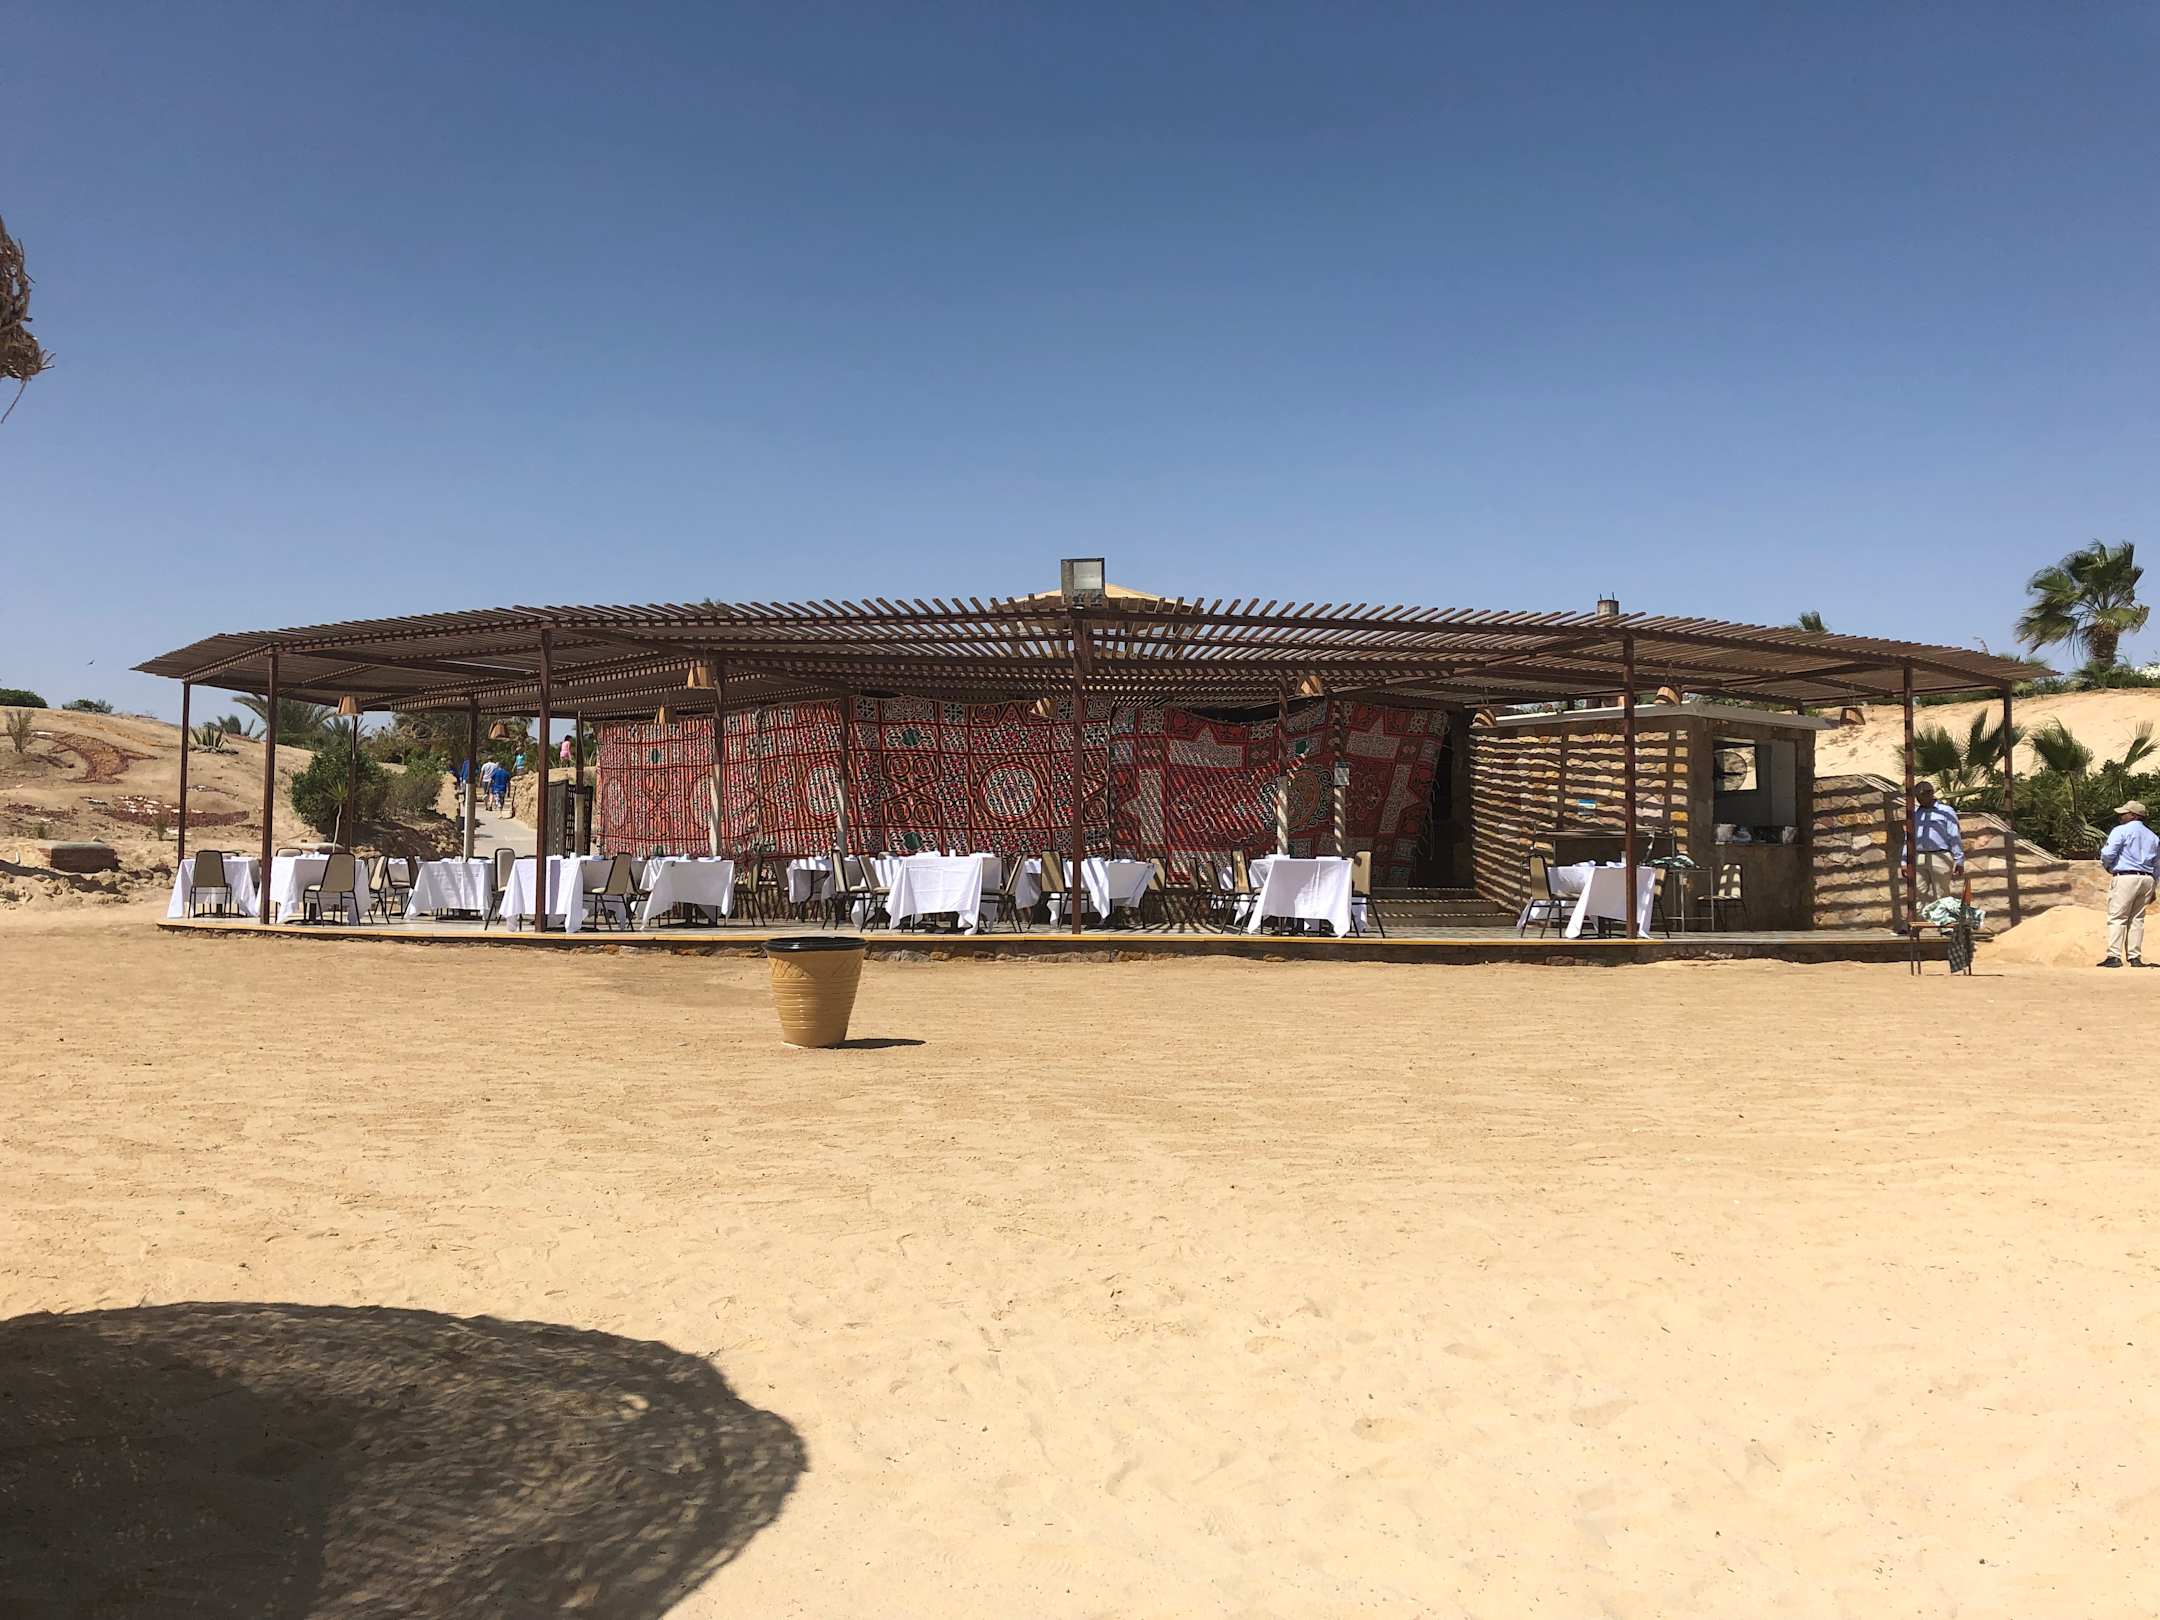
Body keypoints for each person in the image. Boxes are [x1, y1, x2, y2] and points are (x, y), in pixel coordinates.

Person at [2096, 798, 2158, 969]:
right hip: (2147, 878)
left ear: (2133, 815)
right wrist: (2154, 885)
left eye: (2124, 813)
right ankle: (2135, 957)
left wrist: (2108, 866)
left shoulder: (2120, 830)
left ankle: (2114, 956)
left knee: (2117, 917)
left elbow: (2108, 853)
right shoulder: (2153, 836)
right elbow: (2157, 864)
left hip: (2126, 876)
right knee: (2137, 918)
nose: (2120, 816)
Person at [1899, 779, 1964, 928]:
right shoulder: (1915, 814)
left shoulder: (1946, 811)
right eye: (1917, 796)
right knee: (1917, 893)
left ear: (1930, 793)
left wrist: (1959, 859)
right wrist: (1904, 860)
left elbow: (1954, 835)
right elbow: (1909, 837)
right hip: (1919, 856)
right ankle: (1913, 926)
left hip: (1940, 856)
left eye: (1921, 795)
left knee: (1941, 894)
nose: (1919, 799)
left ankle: (1945, 926)